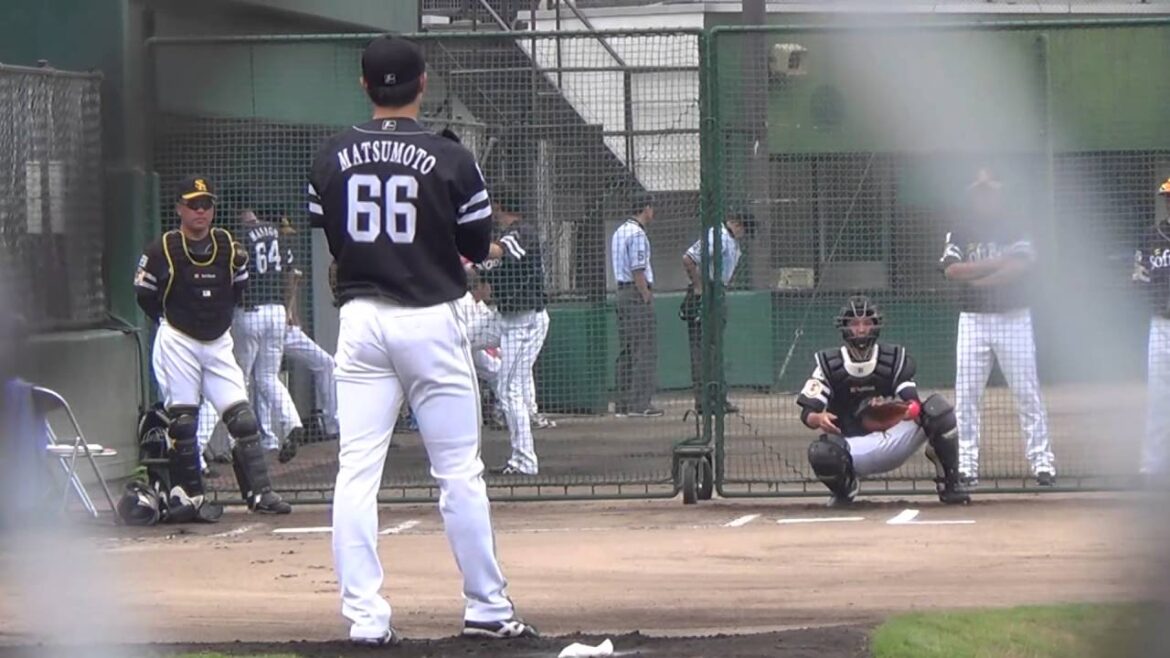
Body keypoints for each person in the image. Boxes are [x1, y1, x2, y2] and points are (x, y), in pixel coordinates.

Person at [308, 35, 537, 646]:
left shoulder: (330, 154)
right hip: (431, 316)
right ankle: (487, 608)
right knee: (458, 472)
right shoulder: (452, 158)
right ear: (423, 83)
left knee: (356, 472)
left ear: (364, 85)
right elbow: (475, 244)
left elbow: (334, 237)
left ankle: (365, 620)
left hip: (360, 318)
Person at [133, 175, 291, 517]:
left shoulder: (230, 247)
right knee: (183, 422)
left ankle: (261, 494)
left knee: (243, 419)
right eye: (193, 205)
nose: (201, 211)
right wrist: (167, 320)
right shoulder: (162, 249)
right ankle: (189, 496)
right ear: (180, 208)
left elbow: (238, 289)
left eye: (206, 205)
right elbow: (145, 294)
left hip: (218, 340)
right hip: (178, 338)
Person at [940, 169, 1055, 487]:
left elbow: (1019, 268)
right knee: (967, 395)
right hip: (973, 319)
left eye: (989, 192)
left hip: (1014, 317)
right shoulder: (960, 229)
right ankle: (966, 465)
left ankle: (1042, 463)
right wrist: (997, 264)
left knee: (1027, 392)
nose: (984, 197)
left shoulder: (1016, 225)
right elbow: (951, 270)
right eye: (979, 192)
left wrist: (978, 278)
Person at [796, 296, 970, 506]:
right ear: (844, 327)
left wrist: (901, 410)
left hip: (892, 438)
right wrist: (819, 418)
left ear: (876, 325)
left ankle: (950, 482)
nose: (861, 329)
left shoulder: (893, 358)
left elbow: (913, 401)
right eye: (855, 323)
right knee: (821, 452)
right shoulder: (829, 364)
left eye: (867, 323)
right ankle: (845, 488)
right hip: (852, 446)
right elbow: (807, 413)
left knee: (938, 409)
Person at [472, 192, 553, 475]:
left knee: (510, 391)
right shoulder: (499, 235)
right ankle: (491, 378)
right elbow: (482, 285)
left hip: (526, 322)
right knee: (458, 339)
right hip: (503, 317)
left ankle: (524, 461)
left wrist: (462, 242)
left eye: (493, 206)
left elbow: (497, 252)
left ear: (499, 206)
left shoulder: (523, 232)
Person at [680, 209, 754, 414]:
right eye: (744, 229)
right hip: (709, 291)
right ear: (737, 223)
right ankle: (705, 401)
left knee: (715, 348)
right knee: (702, 349)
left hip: (718, 291)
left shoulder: (730, 240)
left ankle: (718, 398)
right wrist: (699, 287)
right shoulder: (718, 235)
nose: (744, 235)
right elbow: (688, 258)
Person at [611, 192, 662, 417]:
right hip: (635, 293)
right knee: (644, 348)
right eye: (652, 208)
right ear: (646, 208)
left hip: (621, 293)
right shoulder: (638, 234)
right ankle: (640, 404)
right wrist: (645, 295)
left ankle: (623, 404)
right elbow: (638, 269)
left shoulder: (620, 231)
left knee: (628, 349)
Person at [1134, 178, 1170, 480]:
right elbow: (1140, 279)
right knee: (1158, 397)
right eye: (1167, 198)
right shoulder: (1151, 236)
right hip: (1160, 325)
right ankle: (1153, 466)